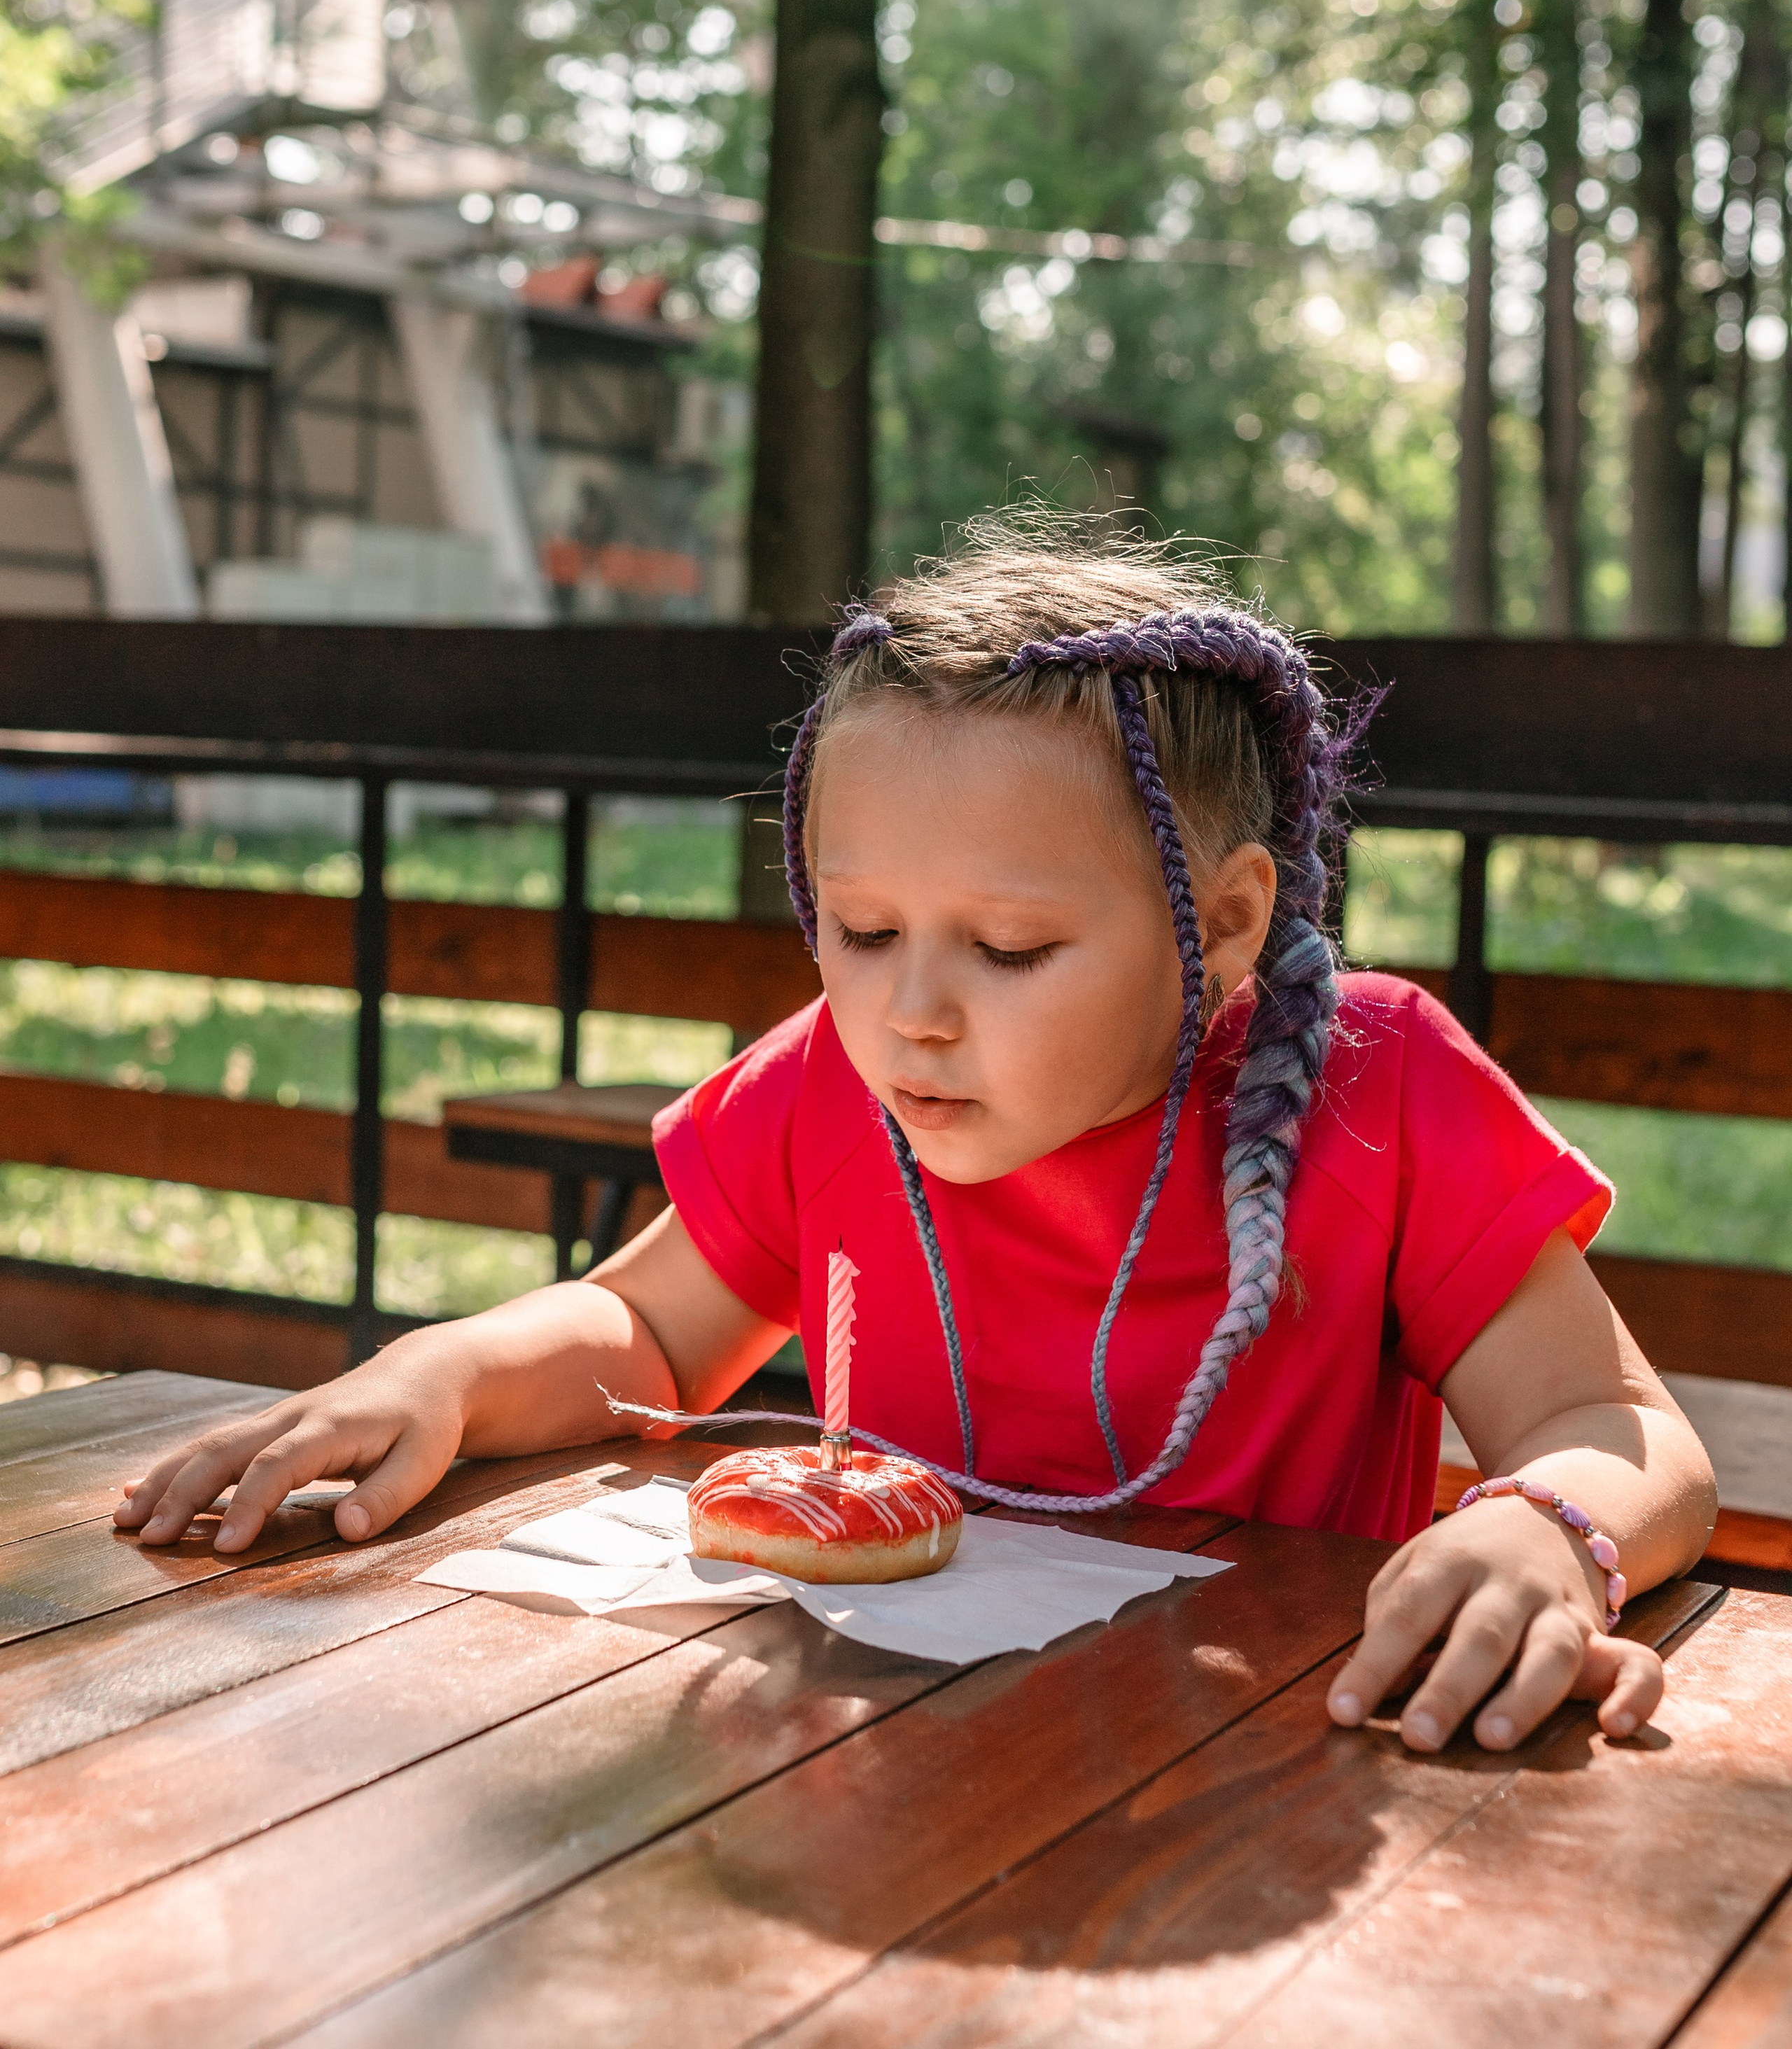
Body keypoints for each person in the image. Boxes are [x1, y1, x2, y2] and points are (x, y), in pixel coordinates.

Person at [115, 515, 1717, 1754]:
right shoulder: (829, 1081)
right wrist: (446, 1368)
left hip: (1257, 1763)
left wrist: (1548, 1531)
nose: (911, 1013)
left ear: (1220, 925)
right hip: (864, 1754)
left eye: (1008, 950)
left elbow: (1610, 1422)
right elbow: (642, 1327)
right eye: (859, 927)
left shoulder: (1374, 1088)